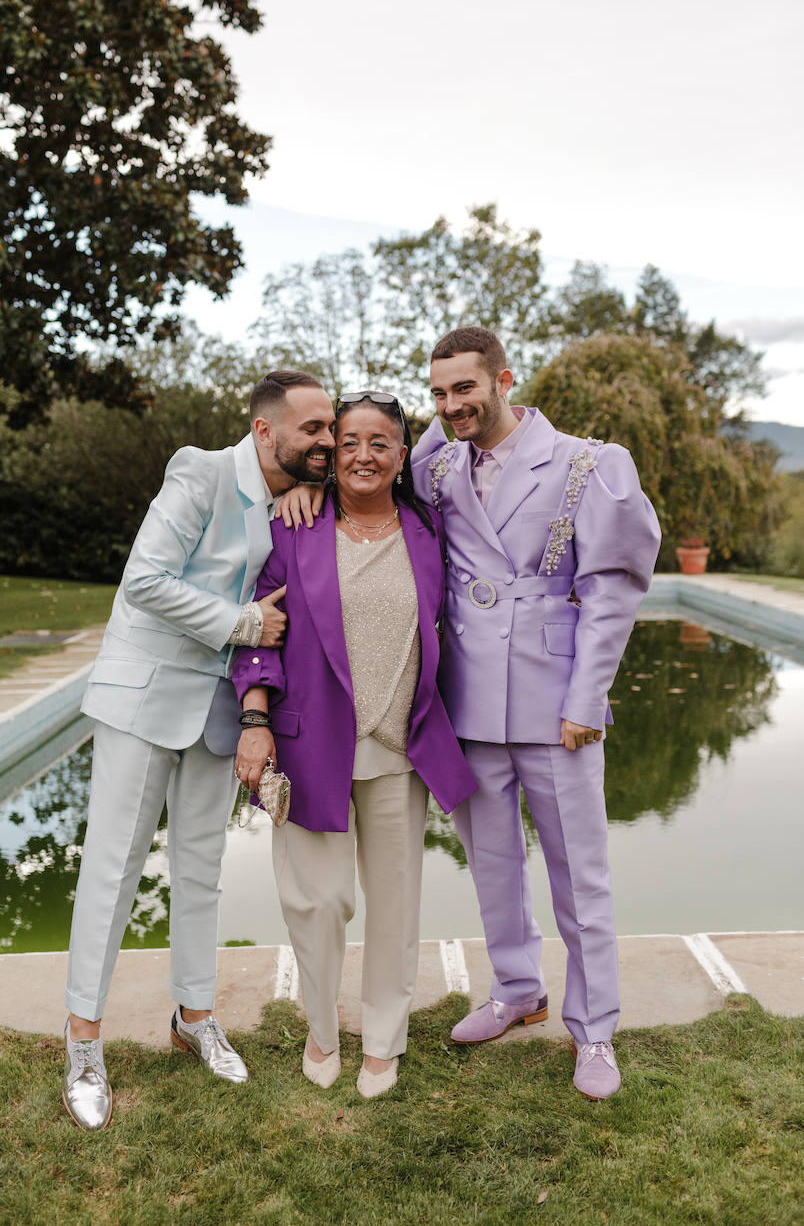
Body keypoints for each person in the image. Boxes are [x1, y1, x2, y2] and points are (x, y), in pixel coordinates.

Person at [62, 370, 336, 1130]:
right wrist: (244, 624)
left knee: (201, 872)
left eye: (329, 429)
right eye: (311, 429)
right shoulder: (200, 471)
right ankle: (84, 1040)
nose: (325, 441)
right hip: (144, 699)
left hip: (221, 711)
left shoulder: (299, 497)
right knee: (112, 871)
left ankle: (195, 1018)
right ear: (264, 431)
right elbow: (143, 579)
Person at [412, 326, 661, 1099]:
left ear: (504, 379)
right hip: (473, 699)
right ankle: (517, 990)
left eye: (466, 388)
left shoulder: (589, 462)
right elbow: (375, 466)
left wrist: (588, 698)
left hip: (558, 703)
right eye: (440, 391)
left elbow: (615, 590)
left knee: (579, 877)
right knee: (491, 863)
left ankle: (595, 1031)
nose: (453, 404)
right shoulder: (439, 464)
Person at [231, 391, 477, 1098]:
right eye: (348, 442)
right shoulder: (293, 527)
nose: (364, 454)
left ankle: (384, 1040)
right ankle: (319, 1026)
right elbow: (259, 635)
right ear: (329, 455)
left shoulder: (431, 528)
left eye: (380, 442)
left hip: (403, 748)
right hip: (310, 747)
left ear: (402, 456)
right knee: (318, 901)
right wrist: (255, 720)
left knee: (396, 903)